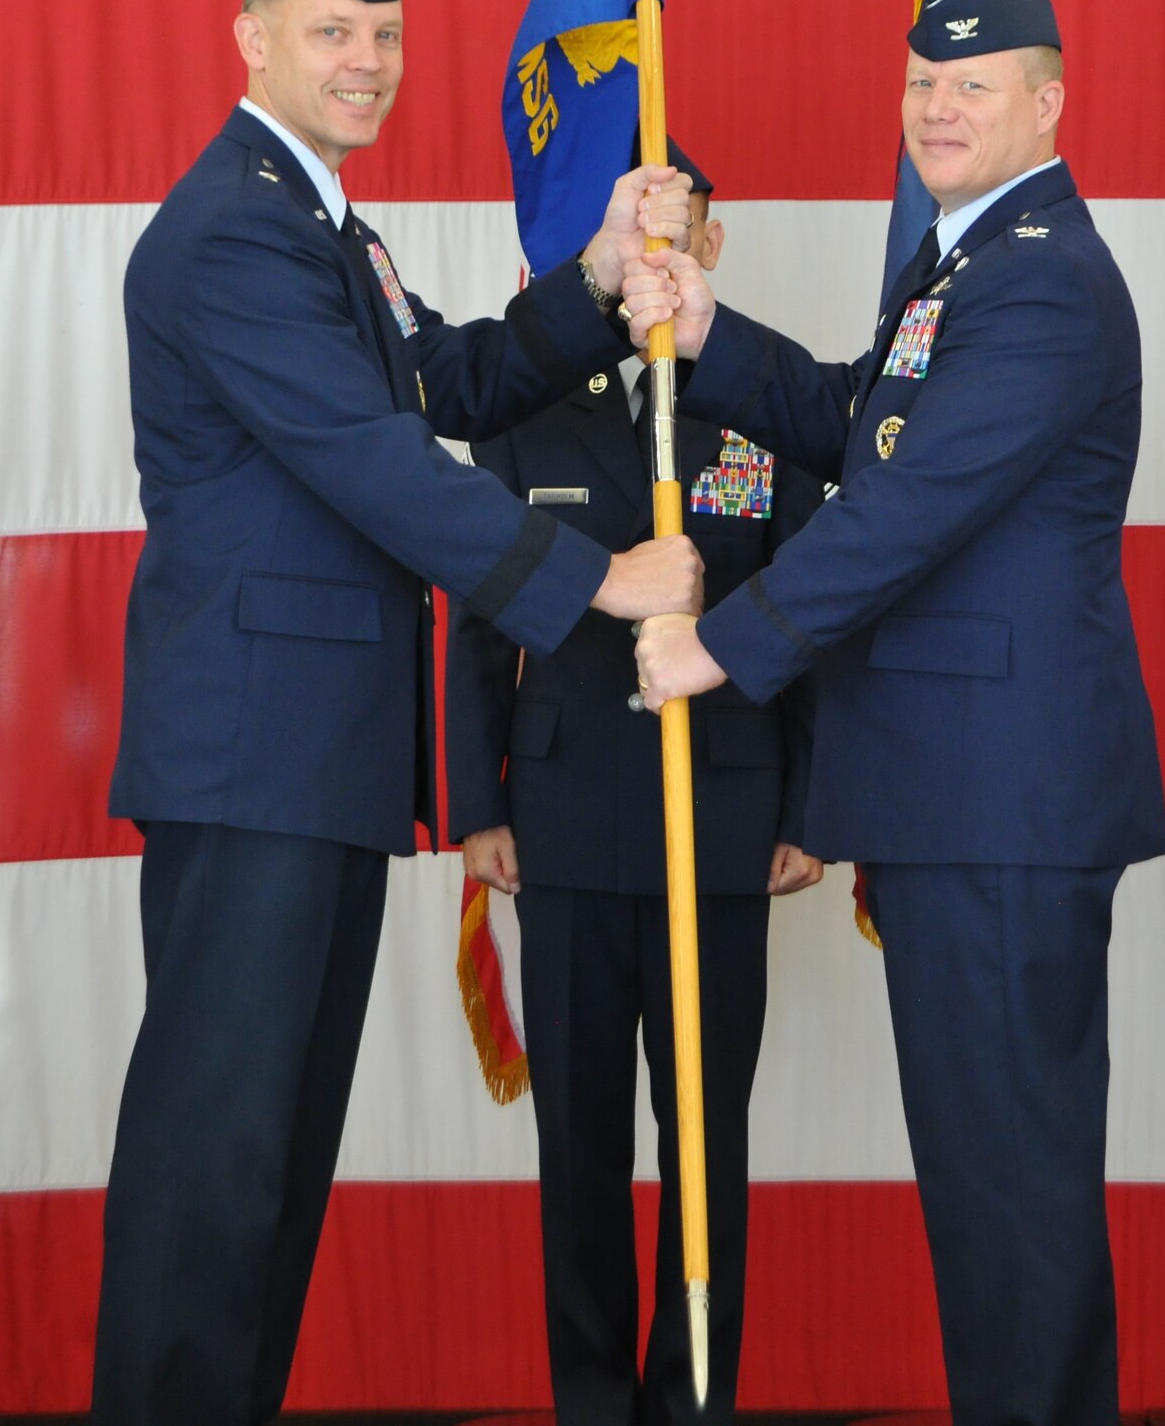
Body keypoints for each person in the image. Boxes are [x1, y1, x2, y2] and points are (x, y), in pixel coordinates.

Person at [91, 0, 703, 1426]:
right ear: (252, 36)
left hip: (316, 766)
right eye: (332, 32)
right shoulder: (234, 231)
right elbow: (380, 462)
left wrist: (596, 279)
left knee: (275, 1173)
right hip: (255, 764)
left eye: (384, 38)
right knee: (214, 1172)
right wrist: (600, 582)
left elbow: (457, 375)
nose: (365, 63)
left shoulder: (321, 228)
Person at [625, 0, 1165, 1426]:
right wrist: (705, 329)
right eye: (924, 82)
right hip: (962, 799)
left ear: (1048, 105)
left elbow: (907, 509)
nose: (937, 108)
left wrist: (721, 647)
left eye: (972, 87)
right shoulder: (970, 264)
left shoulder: (1045, 283)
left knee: (1013, 1197)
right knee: (988, 1193)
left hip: (1004, 803)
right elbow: (853, 424)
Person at [447, 141, 824, 1424]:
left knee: (706, 1144)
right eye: (636, 234)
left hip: (721, 823)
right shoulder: (526, 410)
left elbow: (812, 605)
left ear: (710, 250)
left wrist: (812, 808)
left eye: (682, 230)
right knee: (582, 1148)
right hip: (558, 822)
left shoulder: (764, 409)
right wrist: (479, 800)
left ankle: (695, 1402)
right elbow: (481, 619)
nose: (659, 257)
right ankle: (594, 1400)